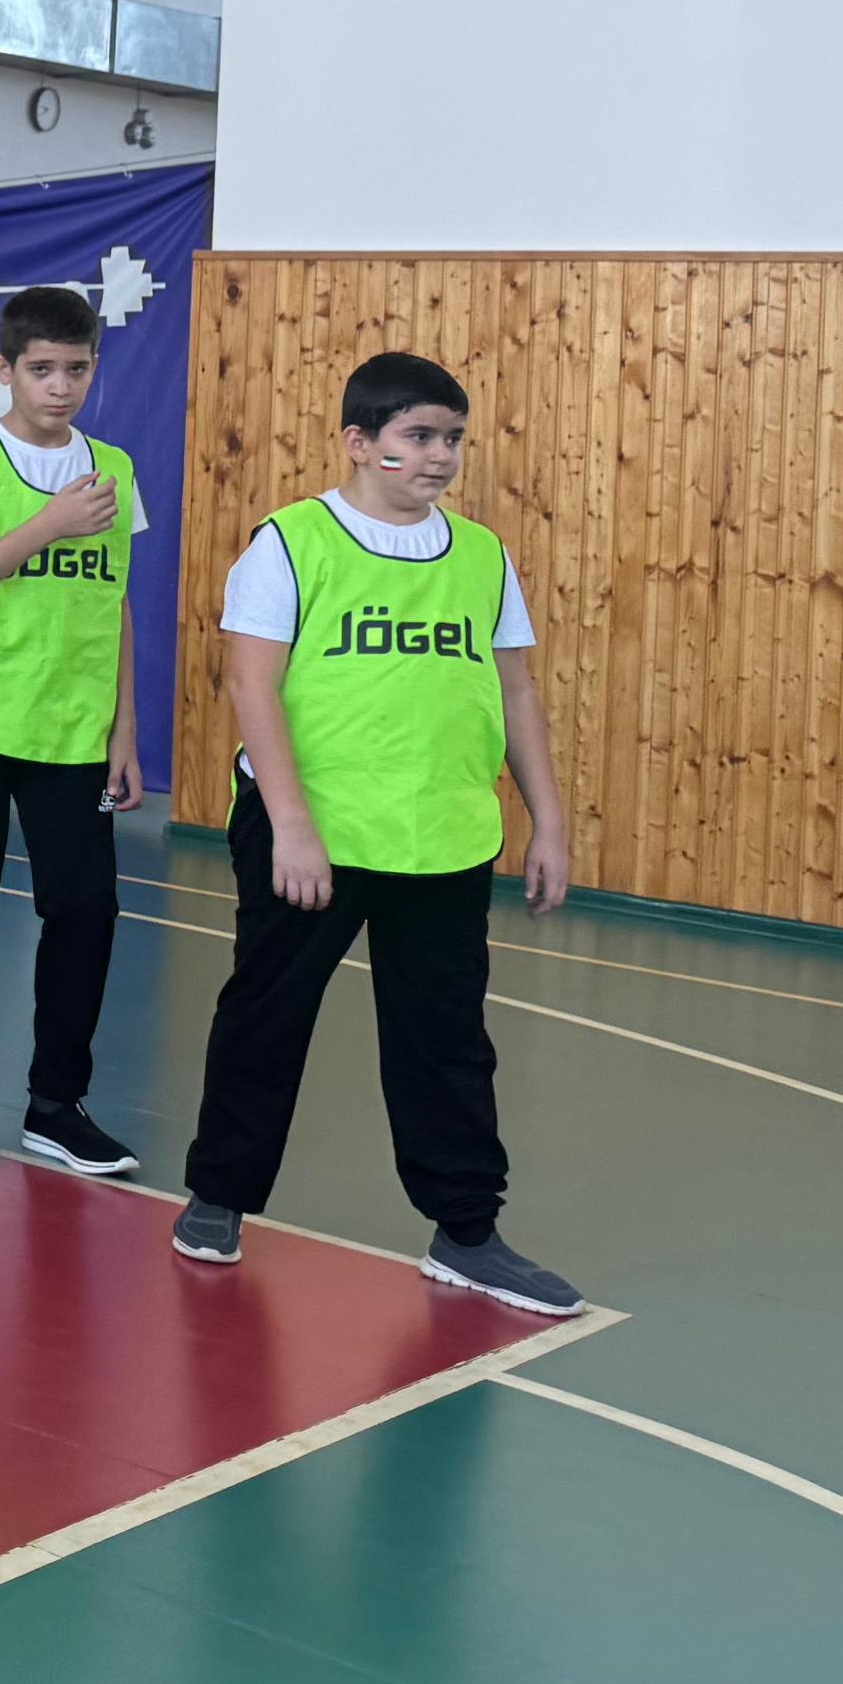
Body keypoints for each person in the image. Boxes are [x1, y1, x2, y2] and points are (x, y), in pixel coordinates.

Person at [175, 353, 582, 1317]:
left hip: (440, 837)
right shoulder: (291, 542)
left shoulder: (481, 556)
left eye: (452, 439)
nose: (440, 456)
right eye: (418, 437)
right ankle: (219, 1196)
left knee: (447, 1040)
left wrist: (550, 821)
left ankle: (466, 1231)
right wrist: (291, 825)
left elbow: (515, 690)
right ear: (359, 443)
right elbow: (251, 686)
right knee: (268, 1018)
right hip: (313, 835)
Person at [0, 286, 146, 1177]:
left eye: (76, 369)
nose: (60, 386)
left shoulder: (114, 469)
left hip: (73, 726)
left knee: (85, 911)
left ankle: (55, 1105)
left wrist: (125, 730)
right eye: (42, 369)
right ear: (4, 369)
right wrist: (45, 526)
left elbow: (114, 603)